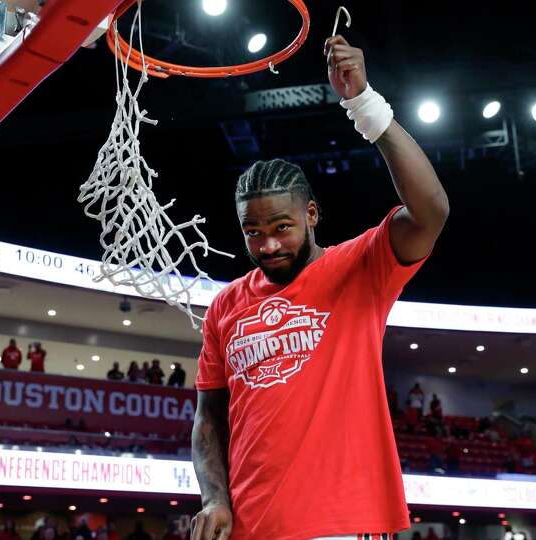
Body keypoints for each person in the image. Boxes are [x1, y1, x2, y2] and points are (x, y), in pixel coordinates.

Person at [190, 34, 448, 540]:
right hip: (248, 529)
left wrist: (363, 105)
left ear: (310, 215)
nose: (267, 245)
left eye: (281, 228)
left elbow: (431, 210)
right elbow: (208, 419)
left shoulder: (359, 268)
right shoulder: (225, 306)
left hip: (341, 525)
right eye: (252, 232)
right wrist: (215, 498)